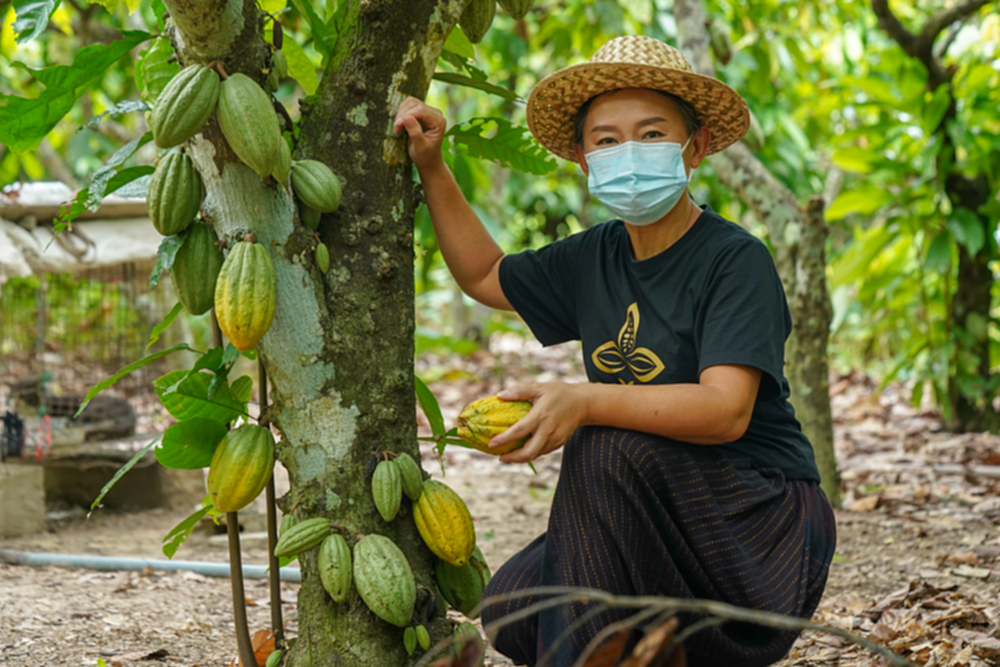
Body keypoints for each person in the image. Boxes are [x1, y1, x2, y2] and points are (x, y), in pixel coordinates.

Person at [394, 34, 836, 667]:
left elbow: (726, 410)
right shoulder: (594, 255)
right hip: (655, 518)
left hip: (757, 528)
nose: (629, 153)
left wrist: (585, 401)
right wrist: (432, 164)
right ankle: (656, 651)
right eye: (606, 140)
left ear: (697, 146)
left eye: (653, 134)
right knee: (511, 608)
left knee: (602, 440)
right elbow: (486, 276)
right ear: (582, 158)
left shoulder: (735, 260)